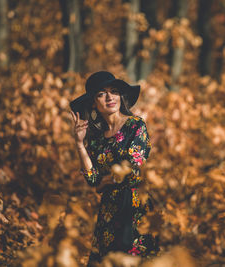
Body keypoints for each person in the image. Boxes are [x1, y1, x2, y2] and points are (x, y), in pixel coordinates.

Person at [70, 71, 159, 265]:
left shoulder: (136, 125)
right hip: (109, 211)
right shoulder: (96, 138)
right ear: (94, 102)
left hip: (134, 205)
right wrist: (79, 144)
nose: (110, 97)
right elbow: (93, 180)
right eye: (102, 93)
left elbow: (132, 168)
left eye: (114, 91)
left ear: (121, 97)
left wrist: (105, 183)